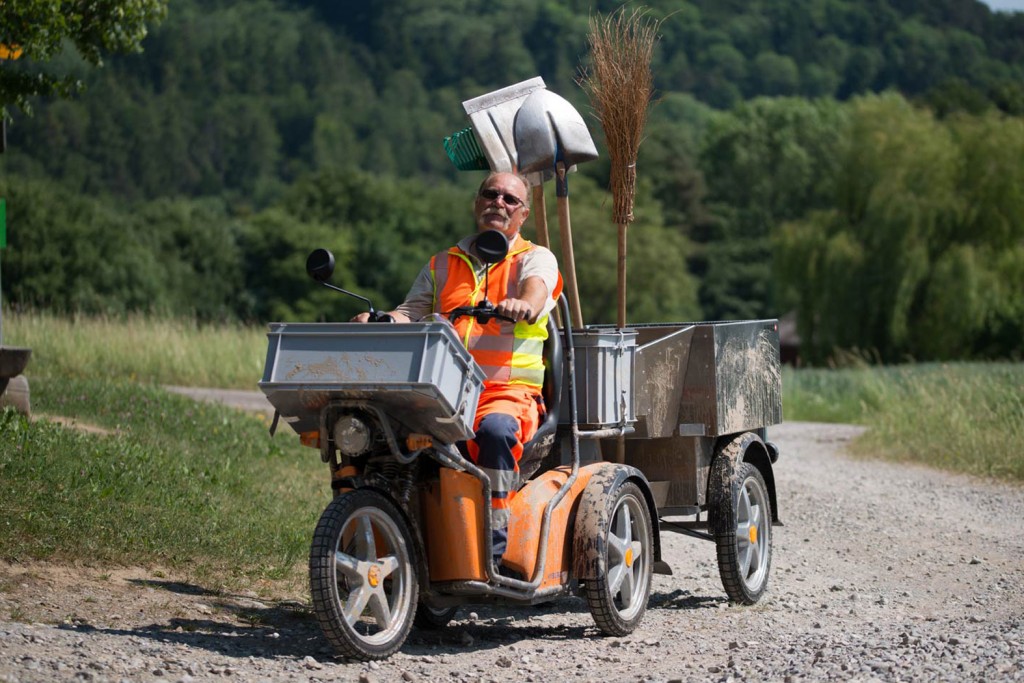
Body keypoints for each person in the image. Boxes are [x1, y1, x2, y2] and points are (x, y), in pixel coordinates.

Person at [352, 171, 562, 570]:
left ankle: (492, 550)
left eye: (510, 199)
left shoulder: (535, 258)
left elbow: (537, 291)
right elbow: (410, 312)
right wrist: (379, 319)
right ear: (476, 202)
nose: (498, 202)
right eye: (491, 194)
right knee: (376, 436)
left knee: (495, 432)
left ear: (524, 214)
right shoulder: (443, 262)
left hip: (507, 393)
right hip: (443, 391)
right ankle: (379, 537)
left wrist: (523, 305)